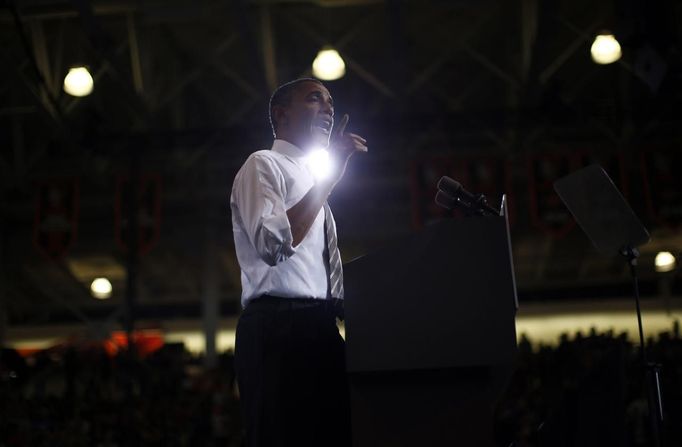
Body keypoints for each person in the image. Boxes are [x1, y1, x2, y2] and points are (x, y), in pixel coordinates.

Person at [230, 78, 367, 447]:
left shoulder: (312, 181)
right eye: (314, 99)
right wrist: (329, 181)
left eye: (331, 102)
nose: (328, 108)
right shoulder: (263, 165)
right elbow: (273, 243)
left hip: (321, 327)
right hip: (277, 328)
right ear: (282, 115)